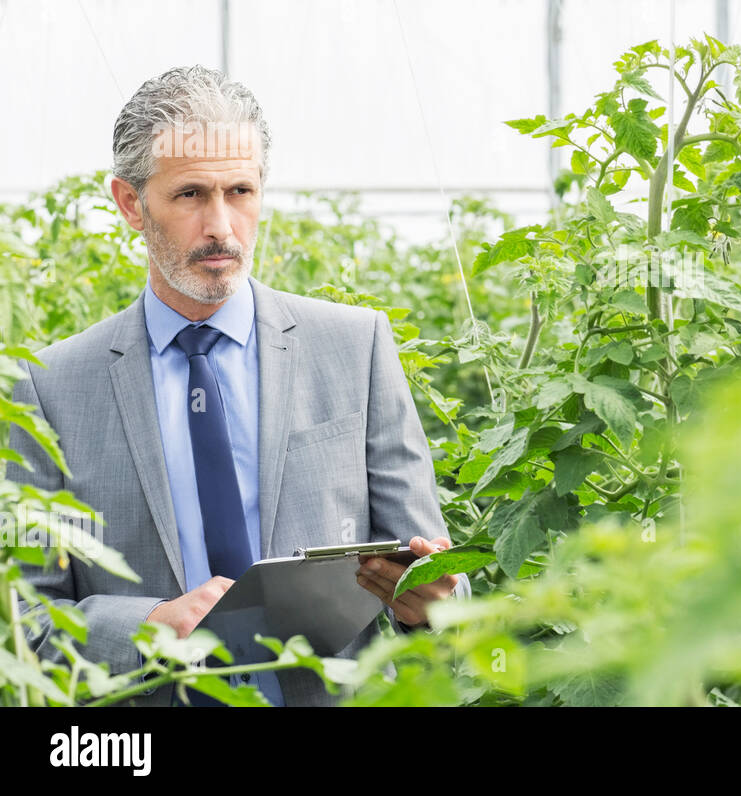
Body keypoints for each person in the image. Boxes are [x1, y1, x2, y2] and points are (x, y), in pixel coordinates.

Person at [7, 65, 469, 706]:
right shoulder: (50, 388)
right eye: (191, 194)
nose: (221, 225)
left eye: (241, 191)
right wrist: (143, 628)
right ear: (130, 203)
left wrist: (428, 602)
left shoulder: (353, 348)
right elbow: (22, 621)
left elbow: (436, 575)